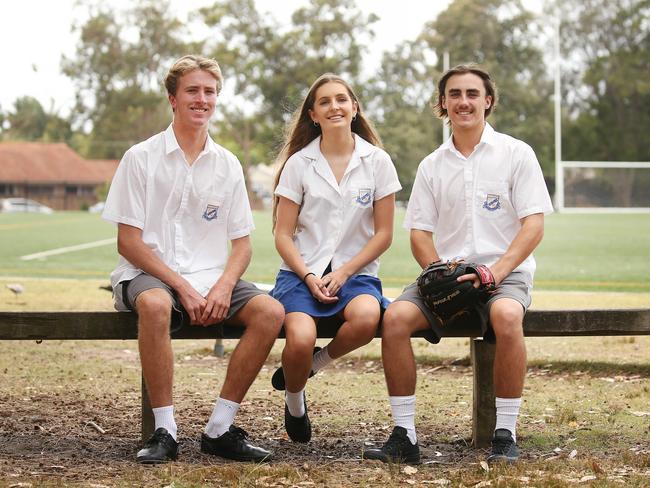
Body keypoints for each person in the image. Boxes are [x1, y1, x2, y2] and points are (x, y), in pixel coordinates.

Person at [363, 64, 553, 465]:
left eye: (471, 94)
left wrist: (494, 272)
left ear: (488, 101)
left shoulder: (517, 153)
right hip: (446, 274)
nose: (463, 102)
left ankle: (504, 433)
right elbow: (418, 232)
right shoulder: (432, 164)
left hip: (504, 275)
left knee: (505, 316)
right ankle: (405, 435)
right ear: (443, 104)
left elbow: (533, 225)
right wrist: (439, 273)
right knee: (394, 319)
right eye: (454, 95)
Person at [102, 54, 284, 464]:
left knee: (271, 312)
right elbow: (128, 243)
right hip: (148, 273)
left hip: (209, 277)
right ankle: (165, 431)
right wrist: (182, 286)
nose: (202, 99)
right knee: (154, 303)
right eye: (192, 91)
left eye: (209, 91)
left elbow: (242, 245)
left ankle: (219, 429)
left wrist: (222, 286)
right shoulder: (140, 157)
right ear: (173, 98)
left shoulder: (228, 164)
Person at [269, 73, 402, 443]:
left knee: (366, 319)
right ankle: (295, 402)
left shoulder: (377, 162)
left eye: (341, 99)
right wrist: (310, 276)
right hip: (300, 274)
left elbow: (384, 234)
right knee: (298, 339)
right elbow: (282, 235)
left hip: (355, 274)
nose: (334, 107)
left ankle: (312, 366)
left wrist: (343, 272)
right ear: (313, 114)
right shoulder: (299, 164)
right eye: (324, 102)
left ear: (355, 108)